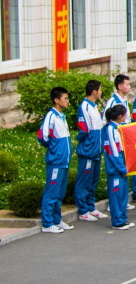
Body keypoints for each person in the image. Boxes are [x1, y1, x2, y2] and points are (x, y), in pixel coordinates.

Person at [38, 87, 74, 234]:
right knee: (51, 192)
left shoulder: (61, 116)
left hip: (63, 161)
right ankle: (47, 223)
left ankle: (56, 219)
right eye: (65, 98)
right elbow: (42, 136)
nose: (67, 101)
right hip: (55, 162)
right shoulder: (51, 116)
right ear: (56, 100)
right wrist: (54, 151)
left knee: (59, 193)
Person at [74, 80, 108, 222]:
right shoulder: (84, 107)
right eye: (100, 90)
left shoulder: (94, 107)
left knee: (93, 180)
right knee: (84, 181)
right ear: (94, 92)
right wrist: (86, 143)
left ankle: (91, 206)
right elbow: (83, 129)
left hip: (96, 151)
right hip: (88, 151)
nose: (101, 92)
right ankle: (83, 210)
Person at [102, 104, 134, 230]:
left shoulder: (118, 128)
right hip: (115, 169)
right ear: (120, 116)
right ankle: (117, 221)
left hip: (121, 166)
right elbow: (112, 152)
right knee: (116, 196)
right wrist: (121, 168)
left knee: (123, 195)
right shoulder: (110, 129)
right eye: (125, 114)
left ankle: (122, 218)